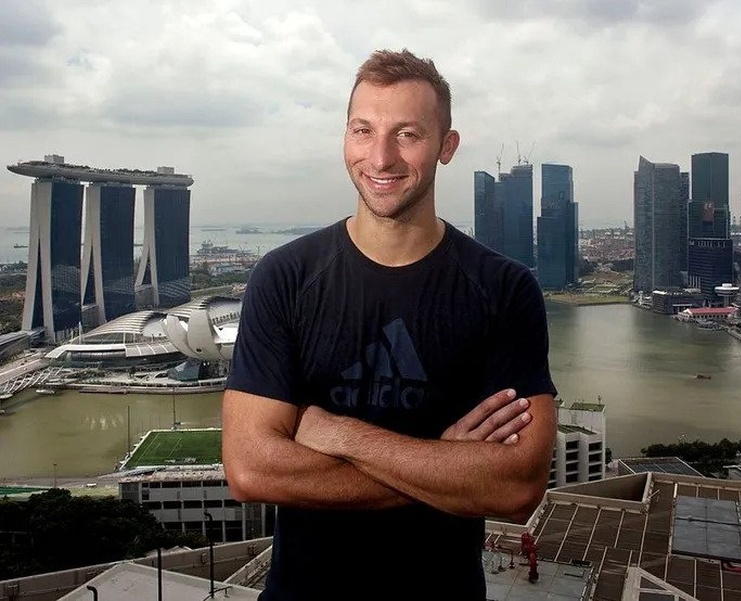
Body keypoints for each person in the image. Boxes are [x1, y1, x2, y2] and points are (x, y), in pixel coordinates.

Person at [223, 48, 557, 600]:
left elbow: (517, 484)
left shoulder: (503, 290)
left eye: (407, 133)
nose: (380, 157)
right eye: (363, 130)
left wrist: (337, 433)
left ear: (446, 147)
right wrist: (446, 462)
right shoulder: (284, 277)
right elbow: (252, 471)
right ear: (344, 138)